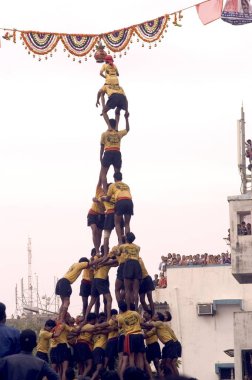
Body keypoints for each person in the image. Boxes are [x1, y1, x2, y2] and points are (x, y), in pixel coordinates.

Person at [55, 257, 101, 323]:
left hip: (60, 281)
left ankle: (59, 318)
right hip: (66, 282)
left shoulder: (74, 264)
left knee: (63, 302)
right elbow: (92, 263)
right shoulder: (80, 265)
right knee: (67, 302)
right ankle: (61, 319)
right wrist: (104, 257)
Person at [99, 116, 129, 193]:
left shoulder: (104, 134)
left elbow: (102, 147)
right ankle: (117, 191)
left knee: (103, 174)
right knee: (117, 174)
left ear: (108, 124)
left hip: (108, 153)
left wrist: (100, 157)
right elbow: (127, 129)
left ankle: (105, 192)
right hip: (116, 153)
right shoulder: (118, 133)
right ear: (115, 124)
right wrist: (126, 119)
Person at [102, 172, 133, 245]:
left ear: (114, 178)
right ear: (121, 178)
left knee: (117, 223)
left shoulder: (112, 185)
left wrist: (103, 198)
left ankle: (120, 242)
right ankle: (128, 241)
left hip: (120, 201)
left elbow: (108, 198)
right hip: (129, 202)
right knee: (127, 224)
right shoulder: (126, 185)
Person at [117, 301, 145, 376]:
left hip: (129, 336)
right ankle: (141, 375)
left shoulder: (120, 317)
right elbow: (141, 323)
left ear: (120, 309)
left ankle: (133, 375)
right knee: (140, 355)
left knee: (131, 356)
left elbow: (119, 326)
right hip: (139, 334)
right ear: (127, 306)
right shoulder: (135, 313)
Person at [119, 232, 141, 310]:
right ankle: (136, 308)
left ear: (127, 238)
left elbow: (118, 253)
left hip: (128, 264)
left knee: (127, 289)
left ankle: (128, 308)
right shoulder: (138, 247)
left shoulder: (122, 246)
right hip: (136, 265)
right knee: (135, 290)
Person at [87, 180, 105, 255]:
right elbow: (100, 180)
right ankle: (97, 250)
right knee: (94, 230)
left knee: (99, 234)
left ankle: (98, 250)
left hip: (102, 215)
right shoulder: (99, 190)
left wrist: (97, 201)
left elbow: (104, 206)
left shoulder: (110, 196)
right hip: (93, 213)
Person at [143, 310, 161, 376]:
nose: (144, 314)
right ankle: (151, 376)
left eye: (145, 313)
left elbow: (148, 328)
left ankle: (160, 376)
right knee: (147, 362)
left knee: (156, 362)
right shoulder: (144, 322)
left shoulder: (153, 322)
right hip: (148, 345)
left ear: (149, 315)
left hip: (154, 343)